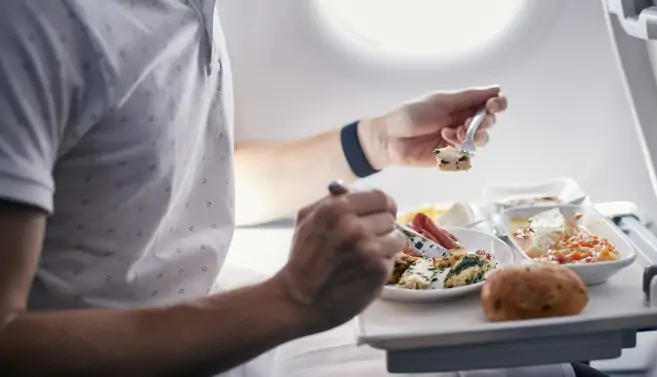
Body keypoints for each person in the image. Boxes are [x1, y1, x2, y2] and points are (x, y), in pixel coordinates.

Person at [0, 2, 613, 377]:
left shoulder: (192, 8)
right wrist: (289, 298)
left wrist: (377, 143)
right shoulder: (32, 26)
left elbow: (185, 183)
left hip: (214, 341)